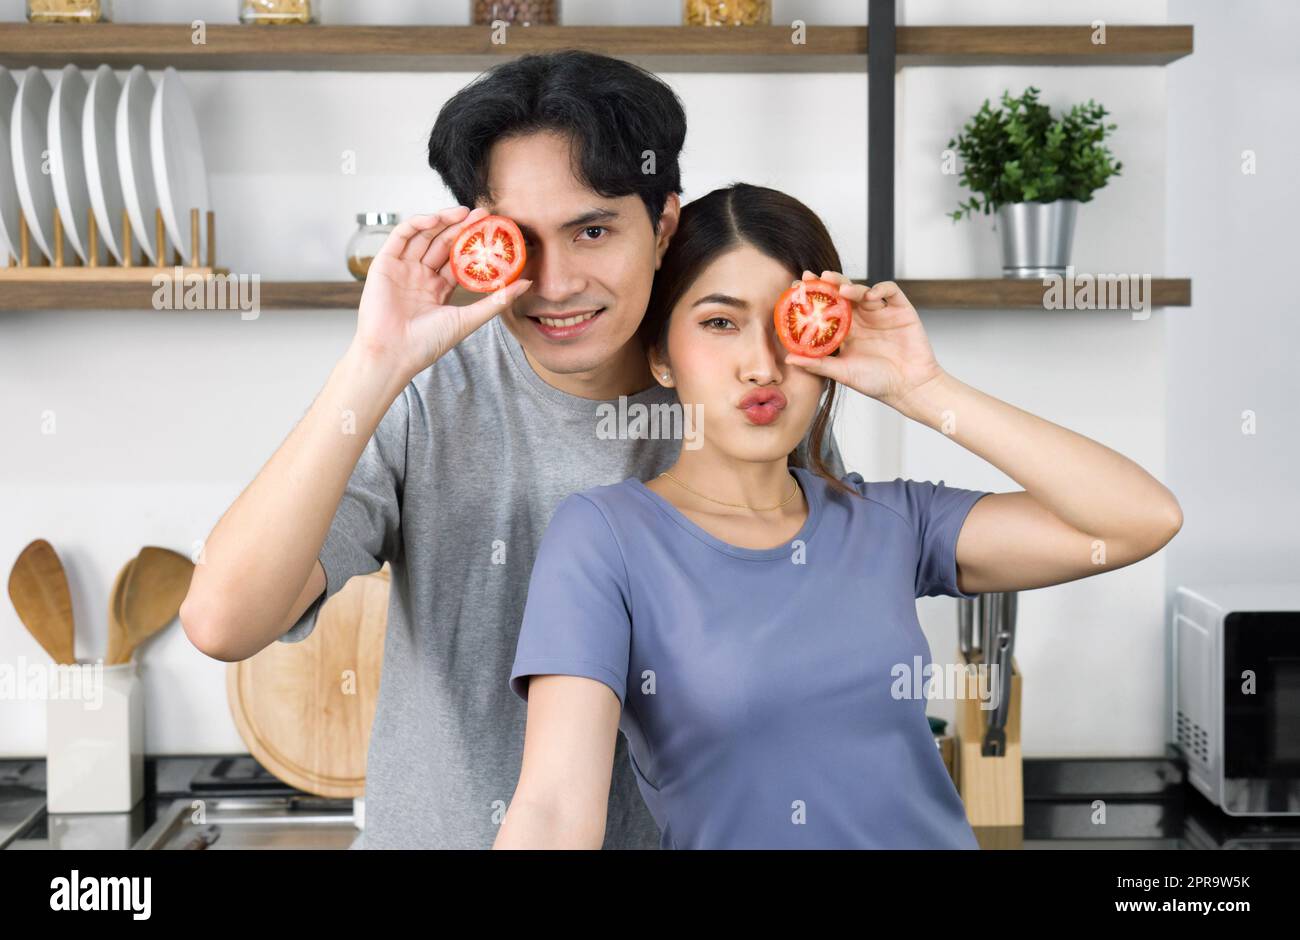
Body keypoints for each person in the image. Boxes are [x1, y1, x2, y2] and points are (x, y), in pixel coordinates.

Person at [178, 53, 842, 849]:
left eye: (592, 231)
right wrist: (373, 363)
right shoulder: (422, 394)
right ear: (474, 237)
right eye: (519, 240)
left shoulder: (742, 394)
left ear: (664, 224)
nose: (555, 284)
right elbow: (222, 622)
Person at [496, 183, 1183, 849]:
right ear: (660, 356)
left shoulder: (891, 521)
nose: (762, 366)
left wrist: (924, 389)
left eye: (789, 325)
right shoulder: (606, 539)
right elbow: (554, 812)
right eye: (718, 323)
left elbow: (1138, 519)